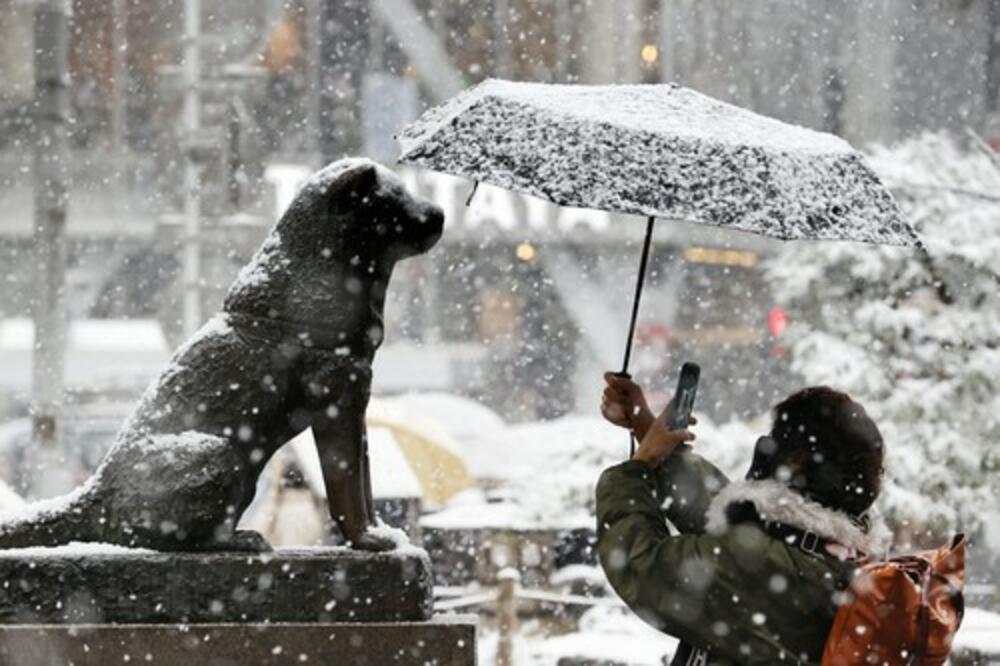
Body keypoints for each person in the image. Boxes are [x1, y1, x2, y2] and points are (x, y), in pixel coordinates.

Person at [595, 373, 891, 666]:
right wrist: (650, 431)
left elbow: (641, 564)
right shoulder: (832, 551)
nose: (766, 447)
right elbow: (722, 513)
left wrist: (640, 464)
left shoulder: (763, 564)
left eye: (775, 439)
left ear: (795, 460)